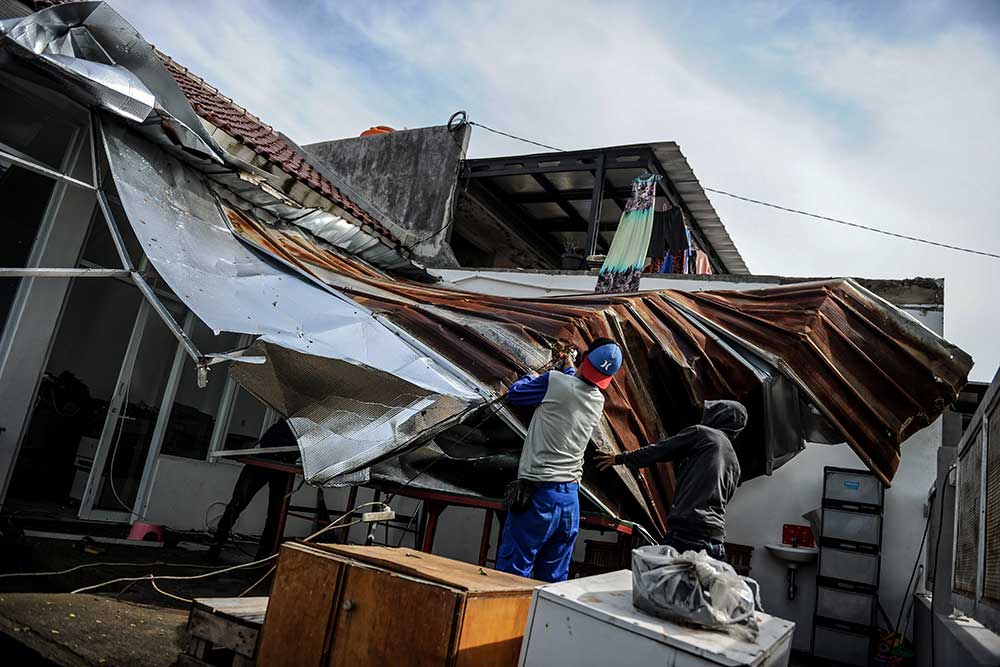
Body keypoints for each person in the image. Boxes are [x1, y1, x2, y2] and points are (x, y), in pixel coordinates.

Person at [495, 338, 623, 582]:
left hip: (537, 495)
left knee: (511, 577)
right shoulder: (598, 400)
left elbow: (516, 395)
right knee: (552, 583)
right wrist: (568, 366)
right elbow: (574, 383)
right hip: (569, 501)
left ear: (585, 358)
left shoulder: (553, 381)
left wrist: (531, 377)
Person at [595, 400, 746, 560]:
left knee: (663, 580)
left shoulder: (702, 434)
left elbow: (659, 450)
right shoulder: (735, 463)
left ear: (718, 416)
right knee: (696, 585)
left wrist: (620, 458)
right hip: (716, 540)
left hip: (687, 531)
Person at [208, 419, 299, 560]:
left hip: (282, 465)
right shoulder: (286, 423)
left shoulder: (307, 428)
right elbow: (268, 440)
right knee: (238, 503)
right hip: (262, 461)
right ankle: (217, 542)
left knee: (276, 513)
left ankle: (264, 553)